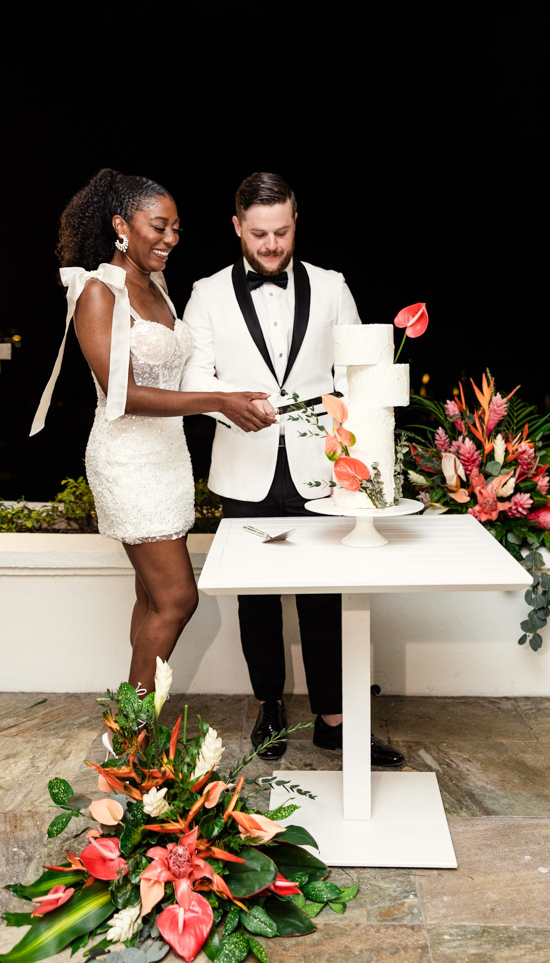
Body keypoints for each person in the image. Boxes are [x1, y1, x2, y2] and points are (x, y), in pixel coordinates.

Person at [181, 171, 404, 766]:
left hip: (321, 467)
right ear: (236, 227)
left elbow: (356, 372)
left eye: (281, 232)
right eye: (259, 234)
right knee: (256, 600)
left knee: (323, 595)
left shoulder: (333, 287)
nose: (271, 245)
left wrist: (338, 417)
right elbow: (193, 379)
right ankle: (269, 709)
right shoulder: (206, 293)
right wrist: (231, 410)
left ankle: (334, 721)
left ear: (296, 221)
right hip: (244, 466)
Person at [31, 168, 275, 701]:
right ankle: (131, 738)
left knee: (150, 600)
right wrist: (219, 401)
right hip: (128, 461)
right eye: (158, 226)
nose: (170, 239)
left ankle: (131, 737)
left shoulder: (157, 287)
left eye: (176, 230)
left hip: (168, 457)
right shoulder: (99, 292)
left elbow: (179, 375)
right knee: (177, 600)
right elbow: (125, 396)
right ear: (122, 225)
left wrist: (237, 395)